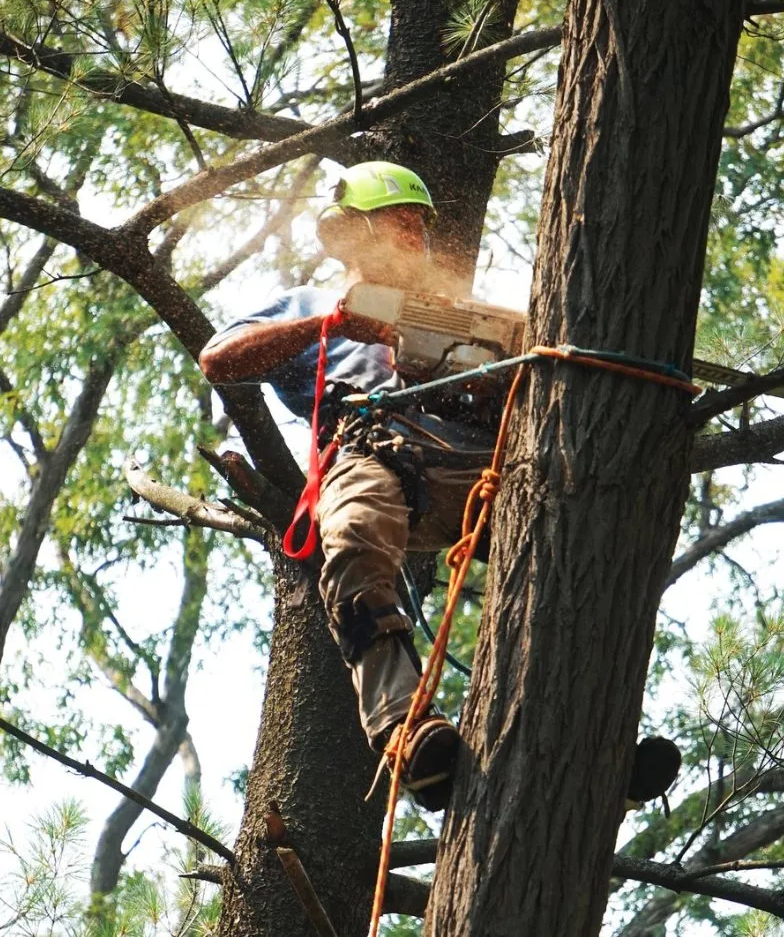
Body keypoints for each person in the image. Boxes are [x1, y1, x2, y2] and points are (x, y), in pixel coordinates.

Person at [199, 160, 681, 813]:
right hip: (374, 454)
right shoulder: (308, 306)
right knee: (356, 536)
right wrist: (334, 324)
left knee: (580, 539)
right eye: (399, 222)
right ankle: (405, 731)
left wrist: (502, 360)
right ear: (350, 232)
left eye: (420, 226)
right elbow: (219, 361)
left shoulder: (456, 312)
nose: (414, 237)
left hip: (480, 464)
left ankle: (596, 741)